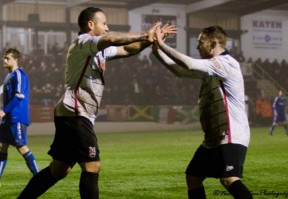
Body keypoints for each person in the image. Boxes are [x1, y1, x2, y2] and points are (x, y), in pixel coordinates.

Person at [17, 7, 176, 199]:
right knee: (92, 166)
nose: (108, 28)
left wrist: (148, 41)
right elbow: (111, 39)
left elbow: (126, 49)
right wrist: (144, 33)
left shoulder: (98, 49)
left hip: (72, 113)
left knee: (59, 169)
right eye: (104, 23)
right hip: (76, 112)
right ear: (91, 25)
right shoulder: (83, 42)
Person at [152, 25, 252, 199]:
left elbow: (189, 64)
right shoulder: (212, 67)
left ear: (213, 43)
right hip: (214, 137)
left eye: (200, 42)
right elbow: (180, 70)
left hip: (231, 133)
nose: (197, 46)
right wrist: (156, 51)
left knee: (228, 179)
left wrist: (161, 44)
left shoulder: (225, 63)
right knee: (193, 178)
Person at [0, 48, 39, 187]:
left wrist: (4, 111)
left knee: (22, 147)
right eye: (4, 58)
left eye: (7, 58)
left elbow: (19, 95)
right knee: (2, 148)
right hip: (7, 119)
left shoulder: (19, 74)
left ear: (15, 60)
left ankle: (40, 179)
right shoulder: (8, 77)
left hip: (16, 117)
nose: (4, 60)